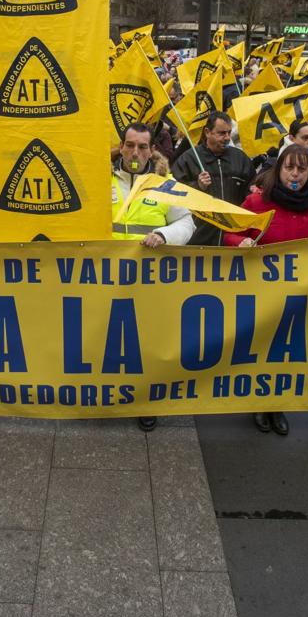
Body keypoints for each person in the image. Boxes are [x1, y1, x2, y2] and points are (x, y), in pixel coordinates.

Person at [224, 143, 308, 437]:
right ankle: (260, 404)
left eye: (301, 168)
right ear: (279, 169)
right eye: (289, 167)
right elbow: (231, 232)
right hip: (262, 292)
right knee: (262, 348)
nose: (295, 174)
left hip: (301, 294)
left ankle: (277, 406)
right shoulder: (257, 203)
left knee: (286, 352)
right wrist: (241, 243)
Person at [112, 122, 196, 431]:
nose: (135, 152)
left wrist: (163, 234)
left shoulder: (165, 183)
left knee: (144, 343)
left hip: (147, 278)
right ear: (121, 146)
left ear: (152, 150)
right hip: (104, 279)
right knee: (105, 338)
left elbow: (187, 223)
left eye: (142, 147)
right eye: (130, 145)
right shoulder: (99, 179)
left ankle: (145, 401)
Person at [171, 111, 254, 246]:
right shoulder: (189, 158)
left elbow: (250, 193)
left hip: (232, 239)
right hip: (198, 241)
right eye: (221, 133)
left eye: (229, 132)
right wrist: (197, 186)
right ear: (207, 132)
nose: (227, 137)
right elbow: (174, 193)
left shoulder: (240, 159)